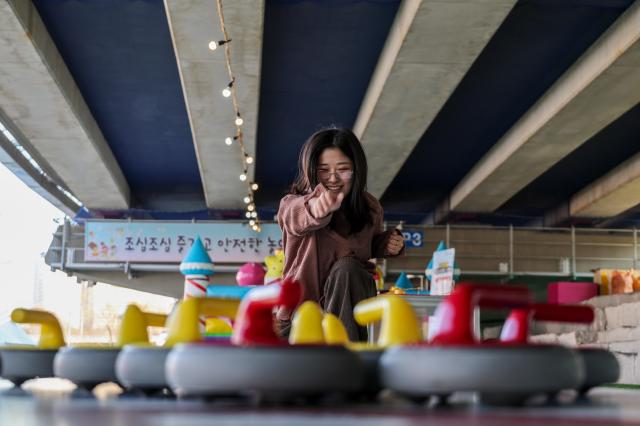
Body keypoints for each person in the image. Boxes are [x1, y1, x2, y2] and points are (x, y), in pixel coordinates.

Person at [276, 127, 405, 341]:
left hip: (351, 308)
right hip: (302, 318)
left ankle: (345, 360)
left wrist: (387, 243)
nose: (333, 178)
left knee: (348, 268)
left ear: (356, 170)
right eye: (323, 170)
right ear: (311, 171)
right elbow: (294, 217)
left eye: (343, 169)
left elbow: (367, 246)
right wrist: (316, 208)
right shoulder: (293, 204)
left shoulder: (370, 208)